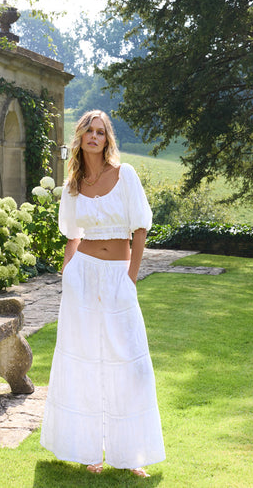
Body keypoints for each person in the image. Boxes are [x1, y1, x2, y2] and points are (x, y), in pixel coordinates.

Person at [41, 110, 165, 478]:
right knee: (83, 360)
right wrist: (68, 274)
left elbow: (140, 228)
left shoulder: (125, 175)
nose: (94, 137)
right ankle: (86, 450)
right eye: (88, 131)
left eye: (100, 131)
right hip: (82, 276)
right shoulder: (73, 187)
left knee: (130, 364)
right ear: (80, 138)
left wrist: (130, 277)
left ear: (108, 139)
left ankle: (133, 454)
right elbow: (72, 236)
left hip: (118, 276)